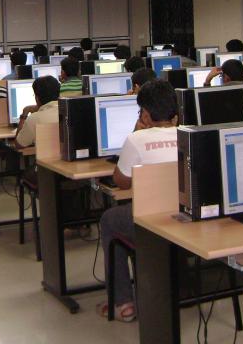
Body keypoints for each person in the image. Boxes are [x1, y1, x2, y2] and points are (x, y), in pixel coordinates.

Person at [99, 79, 179, 322]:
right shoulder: (189, 134)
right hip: (185, 218)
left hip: (152, 221)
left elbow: (121, 181)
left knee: (109, 219)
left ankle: (123, 301)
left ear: (145, 114)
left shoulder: (137, 139)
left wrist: (136, 133)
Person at [15, 76, 60, 148]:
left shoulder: (34, 119)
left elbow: (19, 144)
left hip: (44, 155)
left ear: (37, 98)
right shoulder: (68, 112)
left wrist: (24, 114)